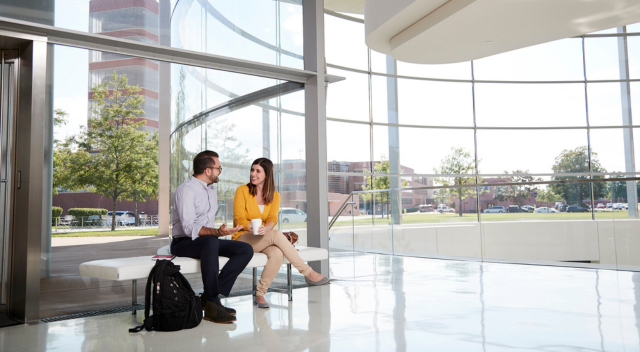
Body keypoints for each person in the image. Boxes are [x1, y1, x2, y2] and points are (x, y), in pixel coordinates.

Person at [232, 157, 329, 309]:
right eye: (252, 170)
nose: (253, 174)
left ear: (267, 175)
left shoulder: (275, 195)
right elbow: (239, 220)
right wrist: (252, 227)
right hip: (243, 238)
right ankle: (307, 272)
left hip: (263, 238)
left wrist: (266, 229)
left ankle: (260, 293)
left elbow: (272, 218)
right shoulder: (242, 191)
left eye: (258, 171)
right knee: (277, 235)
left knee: (277, 253)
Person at [171, 150, 254, 324]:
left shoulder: (211, 189)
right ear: (208, 170)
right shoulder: (186, 190)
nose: (220, 171)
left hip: (207, 241)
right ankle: (212, 303)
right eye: (218, 168)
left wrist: (221, 231)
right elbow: (188, 228)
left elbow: (208, 229)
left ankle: (209, 298)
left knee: (245, 249)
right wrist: (216, 233)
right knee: (211, 240)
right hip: (184, 242)